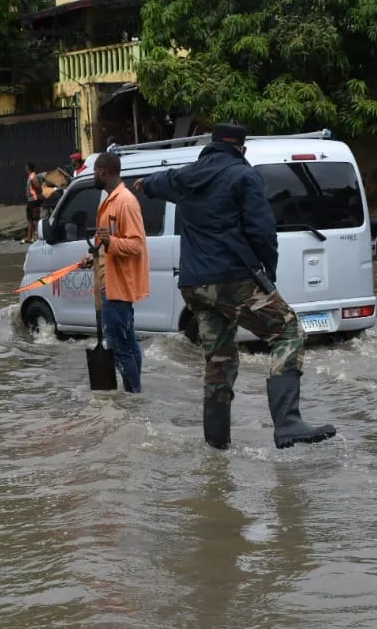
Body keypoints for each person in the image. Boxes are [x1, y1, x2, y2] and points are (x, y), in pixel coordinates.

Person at [136, 123, 336, 451]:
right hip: (232, 279)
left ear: (211, 145)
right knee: (288, 331)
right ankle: (287, 421)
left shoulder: (187, 177)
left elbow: (158, 183)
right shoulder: (244, 177)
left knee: (219, 358)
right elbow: (262, 233)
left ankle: (216, 446)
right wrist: (267, 276)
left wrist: (145, 185)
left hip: (194, 286)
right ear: (241, 149)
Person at [78, 152, 148, 393]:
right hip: (109, 281)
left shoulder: (125, 202)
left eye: (96, 171)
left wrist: (111, 243)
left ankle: (132, 396)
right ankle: (135, 394)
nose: (94, 175)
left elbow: (137, 244)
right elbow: (106, 243)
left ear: (105, 171)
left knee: (121, 347)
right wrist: (94, 255)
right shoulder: (109, 201)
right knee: (129, 343)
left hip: (118, 288)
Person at [24, 162, 44, 244]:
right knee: (29, 219)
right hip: (30, 201)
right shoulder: (30, 176)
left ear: (29, 168)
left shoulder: (33, 176)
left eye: (26, 167)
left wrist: (38, 195)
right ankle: (29, 237)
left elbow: (39, 187)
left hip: (34, 201)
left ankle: (38, 237)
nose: (25, 168)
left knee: (35, 219)